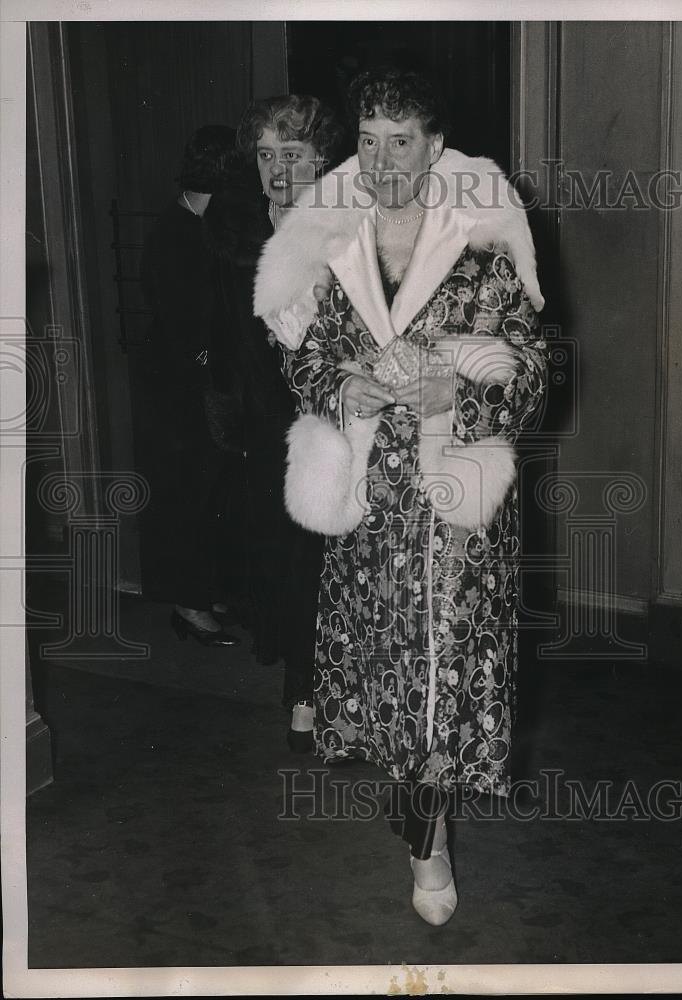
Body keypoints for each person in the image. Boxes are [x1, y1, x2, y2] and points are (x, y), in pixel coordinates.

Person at [254, 68, 547, 924]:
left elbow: (529, 372)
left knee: (444, 674)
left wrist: (456, 393)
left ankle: (430, 840)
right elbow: (299, 359)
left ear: (434, 147)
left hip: (455, 503)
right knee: (388, 673)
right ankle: (419, 807)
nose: (384, 160)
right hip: (371, 501)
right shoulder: (332, 242)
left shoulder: (483, 246)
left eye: (402, 142)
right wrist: (346, 388)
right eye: (370, 141)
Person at [231, 95, 345, 750]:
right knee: (280, 564)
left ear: (321, 159)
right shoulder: (238, 230)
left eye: (292, 155)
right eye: (267, 155)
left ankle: (313, 691)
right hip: (260, 425)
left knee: (320, 564)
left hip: (328, 424)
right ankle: (300, 679)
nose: (277, 170)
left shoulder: (345, 232)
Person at [141, 124, 242, 647]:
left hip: (194, 381)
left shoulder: (200, 221)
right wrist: (207, 361)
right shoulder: (176, 230)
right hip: (179, 388)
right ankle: (188, 606)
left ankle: (201, 592)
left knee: (206, 492)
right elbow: (182, 321)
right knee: (186, 493)